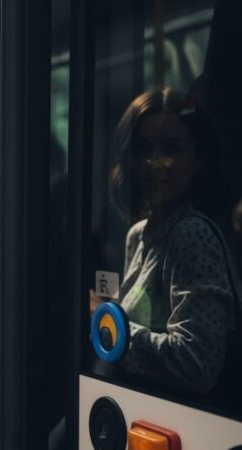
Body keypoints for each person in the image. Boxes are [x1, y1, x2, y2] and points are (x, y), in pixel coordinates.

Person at [105, 86, 240, 394]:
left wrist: (111, 331)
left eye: (173, 149)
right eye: (142, 148)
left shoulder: (192, 234)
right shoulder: (137, 234)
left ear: (199, 159)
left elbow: (197, 365)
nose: (155, 163)